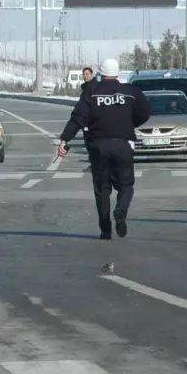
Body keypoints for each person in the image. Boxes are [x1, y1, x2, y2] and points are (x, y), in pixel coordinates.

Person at [57, 58, 150, 240]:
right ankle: (121, 210)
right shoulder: (131, 91)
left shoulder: (91, 91)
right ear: (117, 73)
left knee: (102, 189)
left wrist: (64, 140)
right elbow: (145, 112)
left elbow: (78, 117)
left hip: (98, 145)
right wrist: (127, 123)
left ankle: (105, 229)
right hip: (123, 144)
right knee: (126, 185)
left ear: (100, 73)